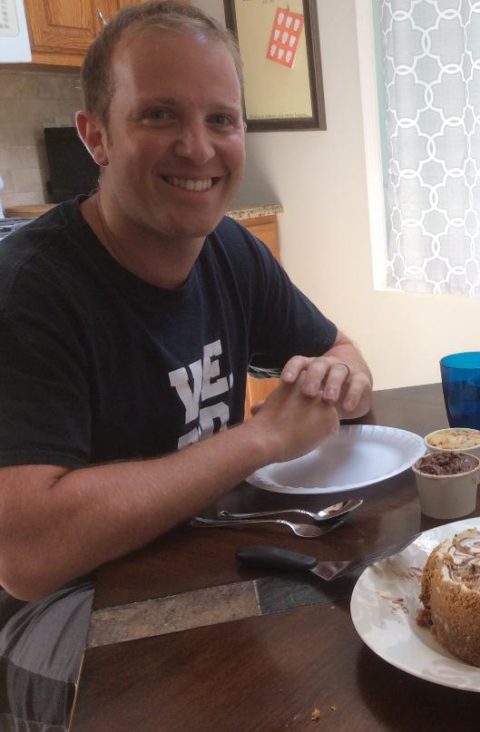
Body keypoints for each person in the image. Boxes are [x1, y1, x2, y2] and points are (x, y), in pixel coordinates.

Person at [0, 2, 372, 726]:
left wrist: (342, 380)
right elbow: (26, 555)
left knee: (363, 630)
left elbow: (340, 349)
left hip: (198, 548)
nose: (198, 149)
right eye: (159, 114)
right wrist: (260, 440)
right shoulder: (30, 293)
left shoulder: (231, 249)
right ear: (96, 136)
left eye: (221, 120)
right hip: (62, 604)